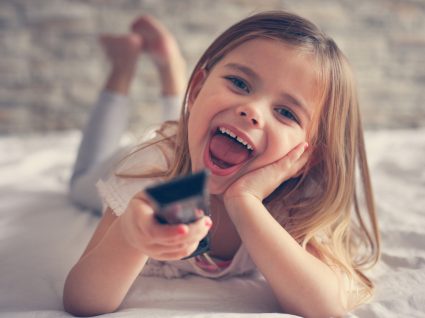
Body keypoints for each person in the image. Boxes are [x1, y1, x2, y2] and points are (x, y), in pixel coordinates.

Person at [63, 11, 380, 318]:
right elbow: (81, 300)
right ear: (199, 86)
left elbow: (325, 307)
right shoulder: (153, 172)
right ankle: (122, 69)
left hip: (194, 133)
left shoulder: (299, 201)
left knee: (197, 124)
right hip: (162, 149)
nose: (252, 110)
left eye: (286, 113)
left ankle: (171, 75)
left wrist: (245, 201)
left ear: (306, 158)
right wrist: (129, 237)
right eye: (240, 84)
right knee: (80, 185)